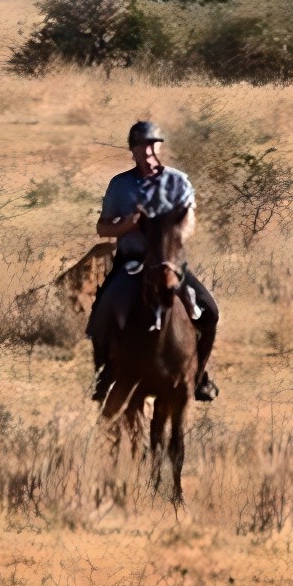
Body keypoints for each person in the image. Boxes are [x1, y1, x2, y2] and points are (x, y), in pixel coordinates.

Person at [91, 119, 219, 402]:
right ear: (132, 151)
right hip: (132, 262)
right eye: (140, 146)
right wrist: (125, 226)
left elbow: (189, 222)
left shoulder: (178, 181)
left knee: (209, 312)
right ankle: (105, 377)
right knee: (102, 313)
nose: (147, 151)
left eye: (152, 145)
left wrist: (174, 236)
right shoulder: (120, 185)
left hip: (170, 262)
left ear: (159, 147)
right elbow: (102, 227)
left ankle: (198, 377)